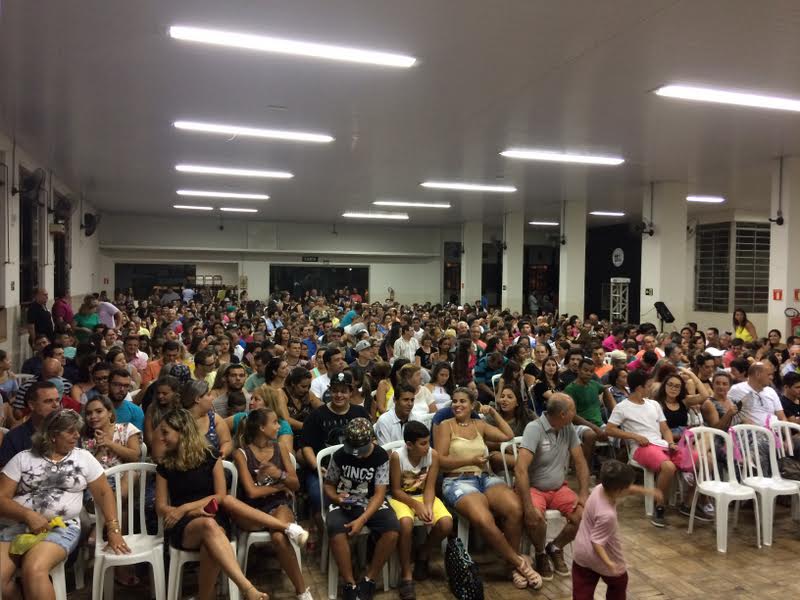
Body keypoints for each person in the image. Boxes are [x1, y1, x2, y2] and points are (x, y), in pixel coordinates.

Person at [154, 408, 307, 600]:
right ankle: (247, 588)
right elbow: (161, 507)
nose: (161, 438)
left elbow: (220, 495)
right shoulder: (165, 464)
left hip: (212, 514)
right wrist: (187, 511)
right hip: (184, 522)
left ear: (182, 431)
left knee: (211, 540)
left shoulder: (210, 456)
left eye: (166, 432)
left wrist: (188, 507)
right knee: (209, 526)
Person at [0, 409, 130, 600]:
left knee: (33, 568)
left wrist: (113, 529)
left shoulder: (83, 458)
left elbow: (104, 493)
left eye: (77, 430)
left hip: (61, 526)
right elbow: (2, 498)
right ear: (52, 435)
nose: (77, 435)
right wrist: (28, 515)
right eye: (70, 431)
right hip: (17, 525)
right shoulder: (23, 458)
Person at [435, 387, 541, 590]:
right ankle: (519, 564)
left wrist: (492, 411)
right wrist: (470, 460)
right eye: (455, 401)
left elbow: (508, 434)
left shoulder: (480, 425)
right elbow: (440, 461)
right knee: (484, 519)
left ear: (472, 405)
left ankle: (510, 567)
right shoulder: (445, 426)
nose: (457, 405)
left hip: (484, 477)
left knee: (515, 509)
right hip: (457, 481)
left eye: (462, 401)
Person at [605, 370, 703, 527]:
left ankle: (687, 503)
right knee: (668, 467)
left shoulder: (654, 404)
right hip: (641, 448)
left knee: (699, 460)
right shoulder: (622, 407)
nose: (651, 388)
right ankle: (659, 507)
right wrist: (634, 436)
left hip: (660, 444)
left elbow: (665, 429)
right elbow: (609, 430)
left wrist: (671, 443)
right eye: (648, 385)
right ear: (639, 388)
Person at [233, 408, 313, 600]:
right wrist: (279, 486)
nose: (279, 426)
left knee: (278, 537)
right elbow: (252, 492)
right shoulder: (241, 454)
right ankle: (290, 529)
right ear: (262, 427)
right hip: (253, 510)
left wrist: (279, 474)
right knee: (280, 532)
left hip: (278, 505)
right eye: (275, 422)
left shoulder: (280, 448)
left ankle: (302, 592)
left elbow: (295, 485)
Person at [514, 394, 589, 580]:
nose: (575, 413)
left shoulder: (568, 427)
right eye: (573, 410)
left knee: (585, 515)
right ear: (563, 414)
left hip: (558, 488)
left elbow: (580, 462)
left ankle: (555, 547)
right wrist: (528, 506)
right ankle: (540, 553)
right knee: (535, 519)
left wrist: (583, 493)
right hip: (534, 488)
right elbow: (520, 469)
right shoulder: (534, 428)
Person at [323, 417, 400, 600]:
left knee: (392, 529)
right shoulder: (340, 455)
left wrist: (362, 519)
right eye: (353, 449)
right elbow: (328, 485)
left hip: (371, 501)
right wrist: (336, 497)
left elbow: (380, 493)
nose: (357, 454)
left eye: (361, 450)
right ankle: (349, 583)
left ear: (372, 441)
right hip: (344, 501)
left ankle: (369, 579)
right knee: (335, 528)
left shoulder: (381, 456)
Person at [571, 460, 662, 600]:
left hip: (581, 553)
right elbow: (597, 542)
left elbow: (625, 489)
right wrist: (609, 563)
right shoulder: (607, 515)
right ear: (619, 491)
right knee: (619, 582)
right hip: (600, 555)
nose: (629, 489)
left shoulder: (599, 488)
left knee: (582, 590)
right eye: (627, 487)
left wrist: (647, 491)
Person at [300, 372, 369, 545]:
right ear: (329, 391)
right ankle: (328, 539)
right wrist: (317, 468)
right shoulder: (317, 415)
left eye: (343, 391)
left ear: (351, 392)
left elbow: (370, 442)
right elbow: (306, 447)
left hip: (355, 471)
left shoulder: (360, 412)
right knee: (317, 495)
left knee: (370, 492)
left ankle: (356, 536)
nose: (339, 395)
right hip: (323, 471)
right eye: (335, 390)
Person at [389, 420, 453, 599]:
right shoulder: (397, 457)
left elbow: (430, 487)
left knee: (446, 523)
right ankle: (406, 574)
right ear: (409, 445)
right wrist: (416, 505)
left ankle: (423, 553)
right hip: (403, 498)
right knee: (406, 523)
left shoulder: (432, 455)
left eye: (428, 442)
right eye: (423, 443)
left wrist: (428, 506)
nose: (428, 446)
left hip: (424, 496)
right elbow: (395, 491)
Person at [565, 359, 615, 464]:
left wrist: (616, 412)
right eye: (585, 370)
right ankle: (585, 467)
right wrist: (595, 428)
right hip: (578, 426)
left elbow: (604, 388)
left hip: (599, 424)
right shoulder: (570, 389)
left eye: (591, 371)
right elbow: (573, 416)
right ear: (579, 370)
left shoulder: (594, 384)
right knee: (590, 435)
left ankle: (612, 467)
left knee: (622, 436)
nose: (588, 373)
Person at [0, 382, 61, 468]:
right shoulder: (14, 438)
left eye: (57, 400)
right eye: (48, 401)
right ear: (32, 405)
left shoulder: (69, 432)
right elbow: (6, 472)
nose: (56, 405)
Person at [181, 380, 233, 458]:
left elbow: (227, 442)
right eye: (208, 395)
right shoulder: (178, 420)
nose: (212, 398)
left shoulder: (215, 418)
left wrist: (220, 455)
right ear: (197, 399)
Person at [143, 375, 181, 458]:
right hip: (155, 450)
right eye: (158, 393)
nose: (160, 396)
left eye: (164, 394)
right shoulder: (152, 408)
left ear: (175, 393)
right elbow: (149, 438)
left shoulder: (181, 409)